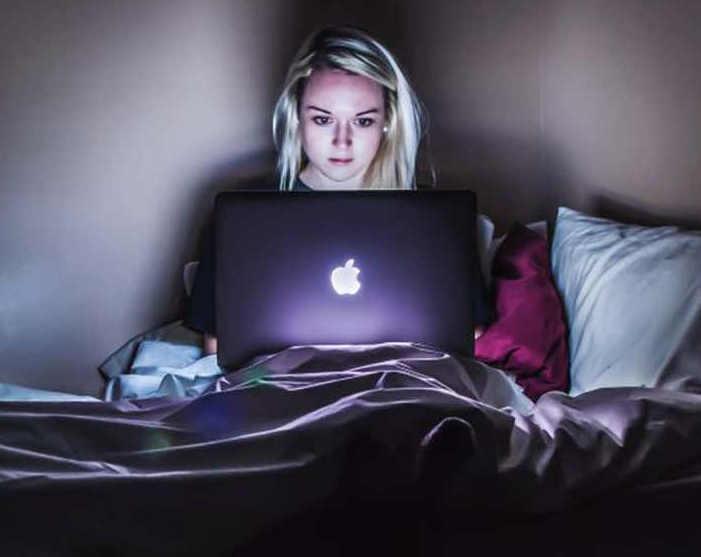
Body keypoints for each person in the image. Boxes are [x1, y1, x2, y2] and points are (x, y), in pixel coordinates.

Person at [184, 25, 490, 355]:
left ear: (387, 122)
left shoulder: (434, 217)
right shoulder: (243, 218)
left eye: (362, 121)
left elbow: (469, 333)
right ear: (296, 117)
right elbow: (218, 346)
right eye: (322, 119)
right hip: (285, 390)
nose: (342, 141)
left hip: (398, 384)